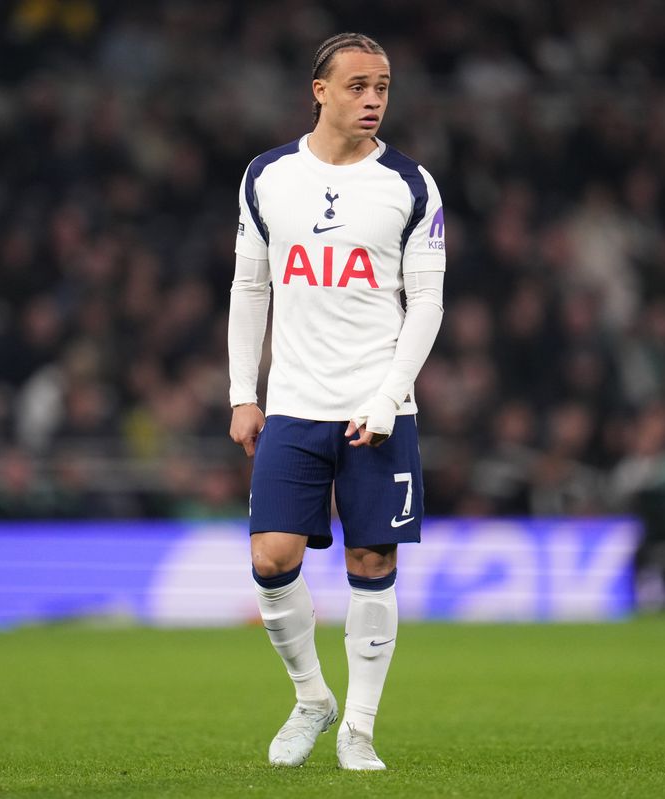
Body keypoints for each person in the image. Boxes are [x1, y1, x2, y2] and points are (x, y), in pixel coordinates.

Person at [227, 32, 446, 771]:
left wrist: (388, 398)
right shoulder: (267, 177)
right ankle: (312, 696)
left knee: (371, 557)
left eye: (382, 85)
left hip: (378, 411)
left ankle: (359, 725)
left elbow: (427, 304)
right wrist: (241, 393)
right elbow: (250, 286)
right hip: (292, 403)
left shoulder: (411, 185)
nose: (373, 98)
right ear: (318, 91)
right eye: (357, 85)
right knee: (271, 556)